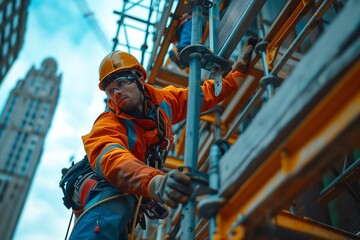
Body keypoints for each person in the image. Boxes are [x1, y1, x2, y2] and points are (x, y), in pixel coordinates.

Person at [68, 40, 254, 239]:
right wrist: (155, 182)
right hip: (100, 183)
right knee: (117, 201)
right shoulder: (108, 123)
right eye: (110, 90)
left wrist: (236, 76)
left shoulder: (163, 102)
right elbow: (114, 161)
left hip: (129, 189)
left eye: (121, 83)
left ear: (139, 79)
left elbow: (200, 96)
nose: (116, 92)